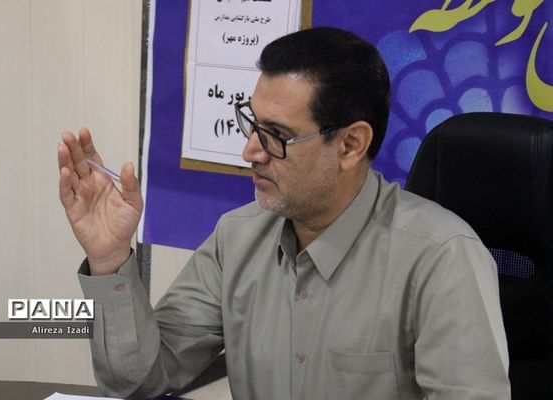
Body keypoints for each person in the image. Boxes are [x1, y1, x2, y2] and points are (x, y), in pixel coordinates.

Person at [58, 27, 511, 399]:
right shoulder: (237, 238)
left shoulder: (441, 257)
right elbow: (138, 382)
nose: (249, 152)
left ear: (350, 145)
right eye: (251, 123)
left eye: (275, 135)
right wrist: (110, 259)